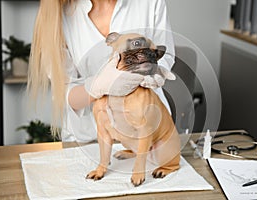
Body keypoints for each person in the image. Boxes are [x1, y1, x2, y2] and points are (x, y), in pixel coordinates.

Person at [28, 0, 175, 143]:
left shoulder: (151, 3)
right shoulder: (59, 16)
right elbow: (65, 91)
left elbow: (164, 55)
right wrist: (97, 87)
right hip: (90, 139)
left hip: (148, 134)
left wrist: (154, 71)